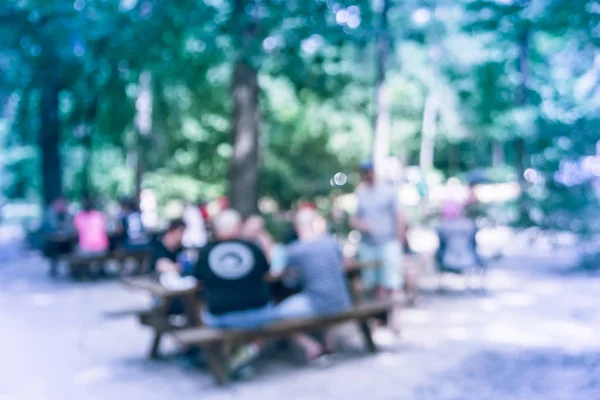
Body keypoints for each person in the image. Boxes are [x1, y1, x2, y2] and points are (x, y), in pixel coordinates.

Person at [279, 209, 353, 360]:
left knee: (276, 316)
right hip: (342, 301)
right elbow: (346, 264)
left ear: (296, 227)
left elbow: (288, 280)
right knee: (323, 292)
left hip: (318, 303)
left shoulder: (295, 250)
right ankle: (329, 344)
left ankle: (312, 347)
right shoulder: (331, 242)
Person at [351, 161, 405, 331]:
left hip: (388, 243)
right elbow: (353, 219)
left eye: (370, 171)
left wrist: (399, 242)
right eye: (364, 171)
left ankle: (396, 319)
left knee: (393, 282)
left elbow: (400, 217)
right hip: (368, 245)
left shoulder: (388, 191)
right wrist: (361, 225)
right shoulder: (360, 193)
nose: (367, 174)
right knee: (374, 284)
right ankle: (379, 318)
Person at [41, 196, 74, 275]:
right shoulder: (49, 214)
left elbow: (71, 228)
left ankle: (72, 267)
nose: (62, 206)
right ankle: (54, 267)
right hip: (53, 243)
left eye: (63, 204)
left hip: (65, 241)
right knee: (53, 247)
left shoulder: (67, 214)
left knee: (72, 246)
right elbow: (46, 229)